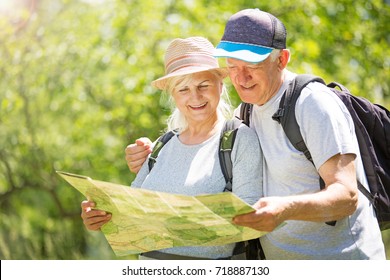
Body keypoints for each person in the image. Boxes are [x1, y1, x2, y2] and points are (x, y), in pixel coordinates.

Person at [125, 9, 386, 259]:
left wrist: (285, 209)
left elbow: (346, 196)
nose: (242, 77)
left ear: (282, 60)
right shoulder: (246, 112)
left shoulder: (312, 104)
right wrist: (149, 154)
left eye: (252, 64)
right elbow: (202, 145)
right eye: (233, 66)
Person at [81, 36, 263, 260]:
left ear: (219, 83)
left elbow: (252, 220)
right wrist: (101, 218)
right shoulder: (162, 146)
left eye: (203, 85)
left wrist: (170, 222)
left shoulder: (238, 140)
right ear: (173, 94)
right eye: (183, 89)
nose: (195, 97)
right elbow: (132, 214)